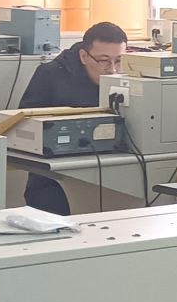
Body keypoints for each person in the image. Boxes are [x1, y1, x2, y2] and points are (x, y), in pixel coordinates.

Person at [16, 23, 128, 214]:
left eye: (118, 61)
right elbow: (25, 122)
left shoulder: (128, 79)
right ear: (84, 56)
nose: (112, 69)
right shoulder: (50, 74)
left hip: (112, 168)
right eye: (103, 61)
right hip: (53, 174)